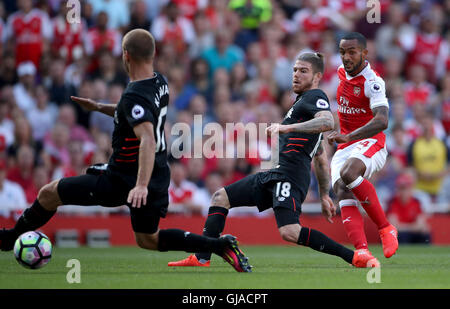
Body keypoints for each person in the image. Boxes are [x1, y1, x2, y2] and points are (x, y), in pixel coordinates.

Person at [0, 29, 251, 273]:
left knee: (49, 193)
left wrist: (139, 185)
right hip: (157, 174)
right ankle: (219, 245)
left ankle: (11, 237)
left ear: (126, 55)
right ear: (151, 55)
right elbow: (135, 114)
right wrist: (100, 107)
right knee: (147, 239)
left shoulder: (134, 95)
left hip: (125, 178)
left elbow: (148, 139)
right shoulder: (159, 82)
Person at [169, 52, 379, 269]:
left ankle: (353, 257)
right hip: (276, 172)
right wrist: (325, 194)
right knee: (220, 198)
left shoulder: (315, 96)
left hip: (290, 175)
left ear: (317, 76)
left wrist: (286, 127)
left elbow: (327, 121)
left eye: (303, 71)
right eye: (295, 70)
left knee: (289, 231)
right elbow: (320, 157)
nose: (296, 75)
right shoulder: (301, 105)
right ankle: (202, 257)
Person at [326, 32, 398, 259]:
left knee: (349, 173)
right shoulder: (340, 73)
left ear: (364, 53)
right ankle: (362, 252)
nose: (346, 57)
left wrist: (349, 136)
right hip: (345, 145)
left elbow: (382, 120)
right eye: (342, 52)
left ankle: (386, 228)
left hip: (370, 141)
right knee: (341, 190)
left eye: (351, 52)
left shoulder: (373, 82)